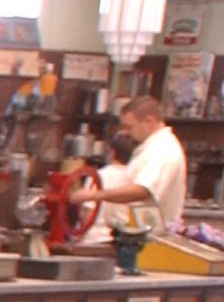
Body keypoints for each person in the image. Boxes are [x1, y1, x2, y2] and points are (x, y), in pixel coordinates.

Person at [78, 94, 186, 231]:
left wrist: (95, 195)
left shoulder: (163, 149)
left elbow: (143, 190)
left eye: (129, 127)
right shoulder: (150, 147)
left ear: (149, 121)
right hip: (135, 233)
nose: (125, 133)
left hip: (152, 239)